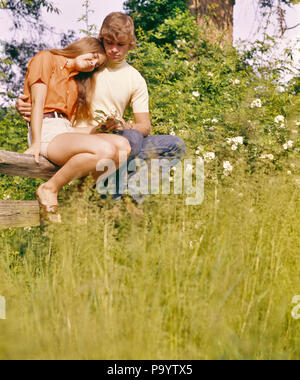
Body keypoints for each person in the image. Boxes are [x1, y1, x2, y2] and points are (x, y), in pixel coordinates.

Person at [17, 12, 186, 204]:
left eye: (120, 44)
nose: (113, 50)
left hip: (112, 136)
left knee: (171, 144)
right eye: (109, 43)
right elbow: (52, 84)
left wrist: (124, 125)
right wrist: (23, 103)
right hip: (77, 137)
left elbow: (145, 126)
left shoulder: (135, 78)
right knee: (129, 141)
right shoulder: (88, 65)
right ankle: (107, 198)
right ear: (101, 40)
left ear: (131, 44)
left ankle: (128, 198)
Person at [23, 36, 132, 221]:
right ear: (84, 46)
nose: (92, 63)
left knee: (123, 146)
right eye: (94, 56)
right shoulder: (46, 58)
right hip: (45, 131)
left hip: (64, 132)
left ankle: (78, 195)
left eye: (96, 64)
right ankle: (49, 188)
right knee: (104, 150)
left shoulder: (75, 83)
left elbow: (70, 128)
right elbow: (38, 103)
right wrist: (35, 143)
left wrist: (100, 128)